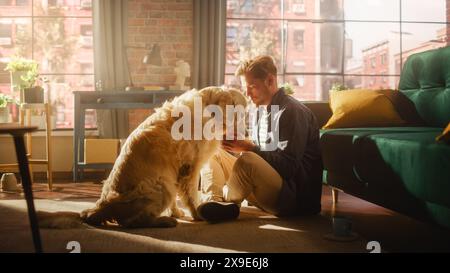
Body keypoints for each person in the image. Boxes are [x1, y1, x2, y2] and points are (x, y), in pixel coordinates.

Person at [196, 55, 323, 223]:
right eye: (245, 88)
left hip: (293, 198)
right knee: (214, 151)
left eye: (251, 86)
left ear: (270, 81)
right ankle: (215, 202)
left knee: (248, 160)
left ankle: (227, 201)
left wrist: (249, 148)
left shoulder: (291, 111)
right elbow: (263, 152)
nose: (247, 93)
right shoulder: (259, 110)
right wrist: (236, 144)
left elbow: (288, 168)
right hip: (267, 188)